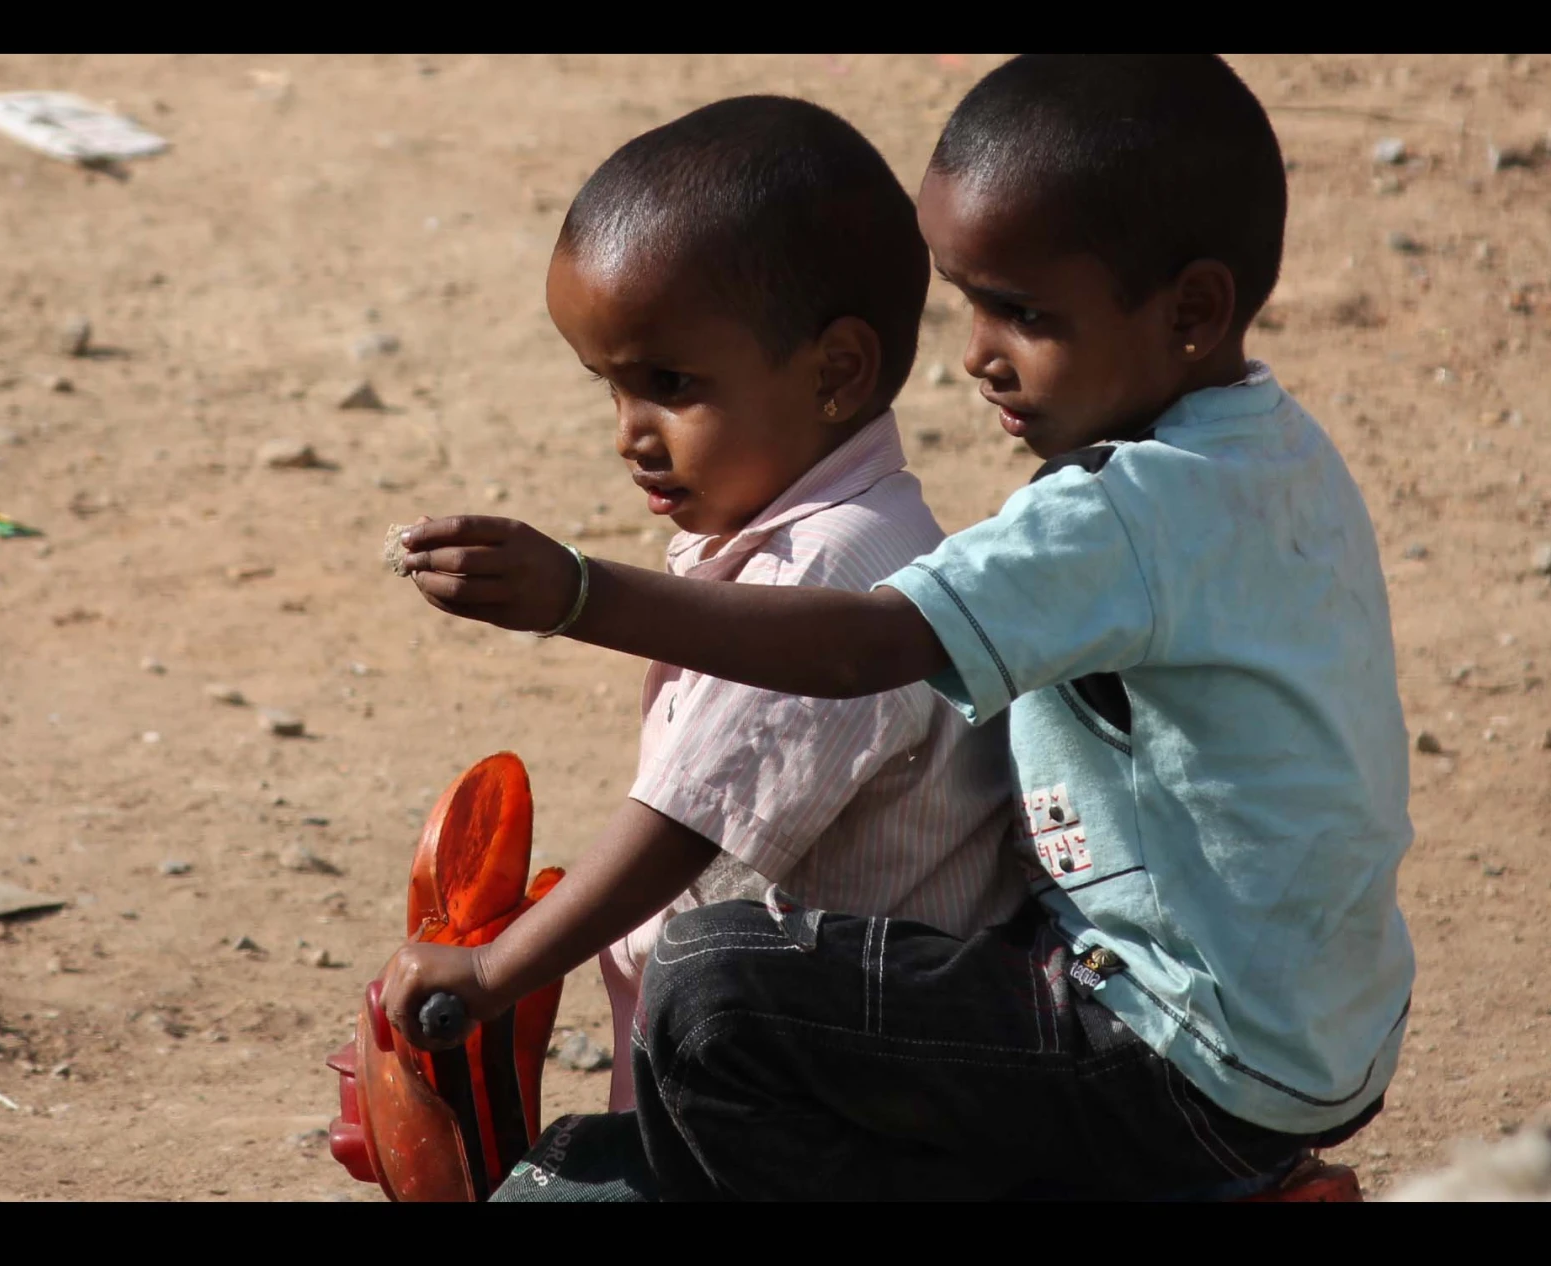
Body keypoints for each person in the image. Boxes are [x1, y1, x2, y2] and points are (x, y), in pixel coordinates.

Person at [398, 54, 1413, 1200]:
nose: (977, 352)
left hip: (1169, 1059)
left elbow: (855, 647)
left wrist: (577, 594)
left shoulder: (1118, 516)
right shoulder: (1271, 454)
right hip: (1313, 1033)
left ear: (1188, 310)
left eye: (1023, 313)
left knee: (714, 994)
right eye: (968, 300)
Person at [374, 93, 1032, 1155]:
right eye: (611, 388)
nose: (630, 434)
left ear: (834, 374)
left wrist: (500, 971)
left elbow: (691, 817)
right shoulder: (813, 527)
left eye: (669, 385)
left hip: (841, 1116)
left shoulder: (830, 567)